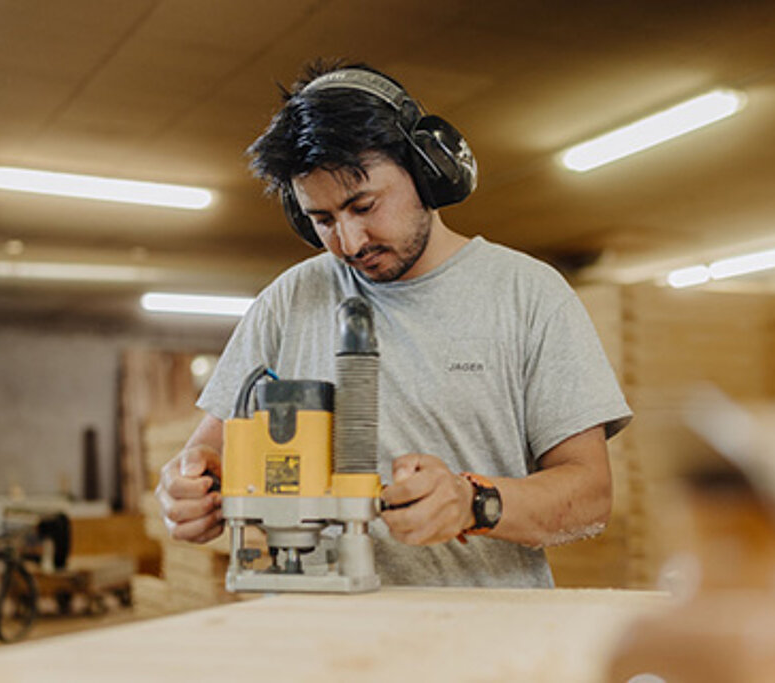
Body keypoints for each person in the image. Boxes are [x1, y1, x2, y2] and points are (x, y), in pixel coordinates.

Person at [155, 60, 631, 588]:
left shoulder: (528, 295)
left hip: (479, 646)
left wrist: (474, 502)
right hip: (321, 641)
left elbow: (590, 496)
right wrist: (185, 489)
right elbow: (204, 455)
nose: (351, 243)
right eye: (324, 220)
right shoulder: (288, 301)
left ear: (426, 168)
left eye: (364, 205)